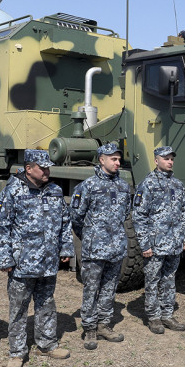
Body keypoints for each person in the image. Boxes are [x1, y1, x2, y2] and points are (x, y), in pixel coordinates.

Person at [0, 149, 74, 367]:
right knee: (19, 309)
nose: (47, 171)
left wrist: (66, 247)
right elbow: (1, 227)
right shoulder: (12, 191)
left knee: (47, 303)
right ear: (29, 169)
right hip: (22, 263)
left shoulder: (55, 191)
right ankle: (17, 352)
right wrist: (5, 257)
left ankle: (46, 344)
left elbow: (64, 222)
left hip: (48, 262)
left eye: (48, 167)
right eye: (42, 167)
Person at [71, 143, 131, 350]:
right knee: (91, 288)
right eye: (113, 159)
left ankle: (104, 325)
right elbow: (76, 217)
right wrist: (91, 236)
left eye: (118, 159)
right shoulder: (87, 186)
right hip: (94, 248)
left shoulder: (123, 186)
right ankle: (89, 328)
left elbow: (124, 214)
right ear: (101, 160)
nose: (117, 162)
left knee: (109, 289)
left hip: (116, 248)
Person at [132, 146, 185, 334]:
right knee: (152, 280)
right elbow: (139, 216)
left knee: (169, 279)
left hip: (174, 243)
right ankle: (154, 317)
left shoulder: (178, 185)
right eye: (165, 158)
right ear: (156, 160)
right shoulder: (147, 184)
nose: (170, 161)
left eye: (171, 158)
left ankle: (167, 314)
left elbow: (183, 212)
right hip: (155, 245)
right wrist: (145, 244)